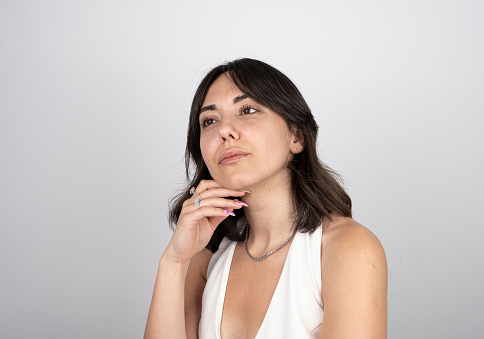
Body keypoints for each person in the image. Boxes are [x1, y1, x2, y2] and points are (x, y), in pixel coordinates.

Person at [144, 58, 387, 339]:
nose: (224, 130)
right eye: (209, 120)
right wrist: (173, 262)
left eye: (247, 110)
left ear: (296, 136)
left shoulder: (348, 249)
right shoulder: (207, 259)